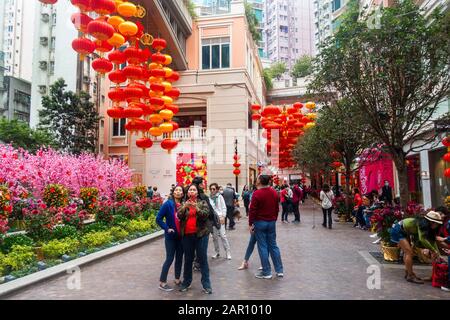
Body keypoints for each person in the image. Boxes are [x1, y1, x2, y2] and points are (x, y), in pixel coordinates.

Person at [390, 211, 443, 284]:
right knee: (409, 252)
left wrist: (438, 254)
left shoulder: (428, 227)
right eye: (436, 223)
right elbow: (422, 239)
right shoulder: (421, 224)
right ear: (431, 222)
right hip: (398, 230)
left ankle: (408, 272)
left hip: (403, 231)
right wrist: (433, 250)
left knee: (407, 252)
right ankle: (410, 275)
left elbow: (432, 241)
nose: (437, 225)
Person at [177, 184, 212, 294]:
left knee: (202, 259)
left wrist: (196, 207)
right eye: (190, 190)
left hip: (201, 235)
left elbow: (205, 215)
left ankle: (206, 284)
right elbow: (179, 215)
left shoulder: (202, 203)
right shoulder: (184, 203)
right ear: (188, 193)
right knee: (188, 259)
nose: (192, 191)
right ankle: (186, 282)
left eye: (194, 190)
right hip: (187, 235)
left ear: (197, 192)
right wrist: (185, 207)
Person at [249, 175, 284, 279]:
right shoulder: (274, 192)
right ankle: (279, 270)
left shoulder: (257, 194)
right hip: (271, 222)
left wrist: (250, 224)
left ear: (260, 181)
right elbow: (277, 208)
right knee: (273, 245)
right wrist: (274, 218)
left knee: (263, 246)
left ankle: (267, 272)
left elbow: (252, 210)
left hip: (260, 222)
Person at [156, 185, 184, 291]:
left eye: (180, 190)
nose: (178, 192)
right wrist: (167, 228)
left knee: (180, 258)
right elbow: (158, 219)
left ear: (182, 193)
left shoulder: (183, 204)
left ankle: (177, 279)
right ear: (173, 192)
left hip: (181, 237)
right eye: (176, 190)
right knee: (170, 258)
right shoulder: (168, 204)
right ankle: (162, 282)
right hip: (170, 237)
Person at [209, 183, 231, 260]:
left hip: (220, 218)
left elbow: (224, 208)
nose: (212, 190)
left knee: (223, 236)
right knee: (214, 237)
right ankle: (217, 252)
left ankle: (228, 252)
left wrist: (223, 217)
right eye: (211, 189)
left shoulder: (220, 197)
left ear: (217, 189)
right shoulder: (209, 198)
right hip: (212, 220)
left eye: (214, 189)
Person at [436, 206, 450, 292]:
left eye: (440, 214)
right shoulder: (442, 223)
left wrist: (444, 239)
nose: (439, 216)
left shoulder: (448, 222)